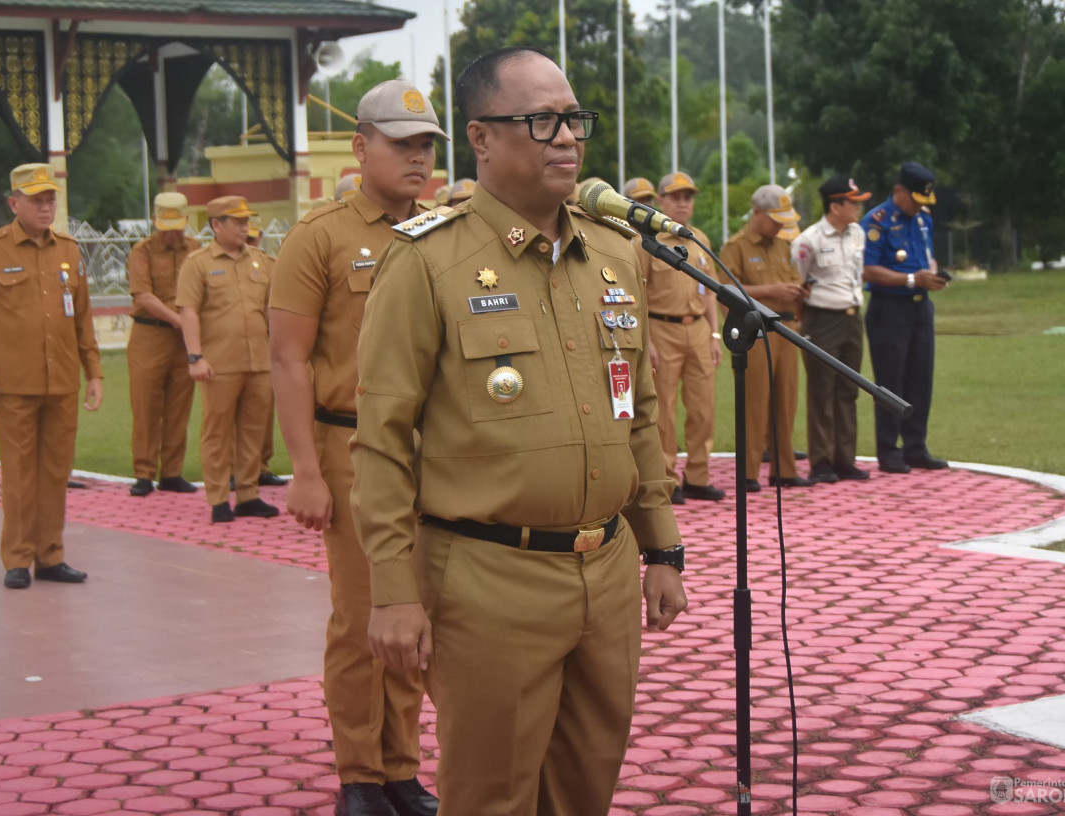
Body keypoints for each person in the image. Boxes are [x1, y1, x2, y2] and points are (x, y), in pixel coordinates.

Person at [350, 47, 688, 816]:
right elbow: (382, 442)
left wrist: (661, 546)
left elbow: (634, 412)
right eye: (541, 120)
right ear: (481, 138)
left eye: (574, 119)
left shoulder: (613, 251)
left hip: (605, 571)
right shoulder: (427, 263)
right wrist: (393, 592)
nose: (567, 137)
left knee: (585, 790)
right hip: (487, 580)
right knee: (492, 796)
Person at [269, 79, 447, 816]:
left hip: (433, 454)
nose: (417, 157)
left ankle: (401, 769)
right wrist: (305, 469)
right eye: (402, 143)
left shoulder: (445, 229)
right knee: (361, 616)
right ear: (361, 146)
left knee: (419, 615)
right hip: (350, 450)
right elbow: (289, 360)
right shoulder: (321, 237)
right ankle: (358, 775)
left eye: (427, 145)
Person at [0, 163, 103, 588]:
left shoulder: (69, 250)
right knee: (20, 473)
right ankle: (18, 558)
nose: (46, 208)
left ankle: (51, 556)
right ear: (14, 203)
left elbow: (83, 318)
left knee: (56, 471)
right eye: (37, 200)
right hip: (14, 383)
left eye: (50, 200)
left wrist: (93, 372)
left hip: (61, 380)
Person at [176, 195, 280, 523]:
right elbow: (188, 310)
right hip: (219, 364)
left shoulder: (263, 261)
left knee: (254, 430)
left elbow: (272, 310)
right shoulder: (198, 263)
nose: (245, 226)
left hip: (259, 361)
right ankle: (219, 497)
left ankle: (248, 493)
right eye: (237, 222)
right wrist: (195, 357)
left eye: (247, 220)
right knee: (217, 432)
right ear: (216, 225)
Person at [634, 171, 725, 504]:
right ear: (661, 201)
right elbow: (637, 295)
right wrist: (649, 342)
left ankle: (699, 475)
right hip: (662, 327)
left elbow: (712, 291)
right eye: (676, 197)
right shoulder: (647, 241)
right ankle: (668, 478)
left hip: (699, 328)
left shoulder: (699, 239)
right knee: (665, 409)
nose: (683, 203)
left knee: (704, 406)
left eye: (688, 197)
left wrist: (715, 334)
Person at [719, 184, 812, 493]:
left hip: (788, 330)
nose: (780, 225)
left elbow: (791, 279)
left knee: (786, 402)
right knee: (754, 403)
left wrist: (798, 289)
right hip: (756, 333)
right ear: (757, 212)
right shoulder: (736, 247)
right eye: (775, 218)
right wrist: (772, 291)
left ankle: (784, 470)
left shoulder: (783, 245)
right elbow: (726, 291)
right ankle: (748, 472)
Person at [861, 162, 949, 473]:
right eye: (916, 199)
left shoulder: (924, 219)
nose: (920, 206)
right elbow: (868, 269)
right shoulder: (877, 222)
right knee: (891, 380)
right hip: (889, 308)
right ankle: (889, 449)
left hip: (920, 307)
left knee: (920, 377)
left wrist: (934, 275)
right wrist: (913, 279)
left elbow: (929, 256)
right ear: (899, 191)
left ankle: (916, 446)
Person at [791, 176, 872, 484]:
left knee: (848, 390)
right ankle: (822, 461)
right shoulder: (808, 240)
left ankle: (845, 459)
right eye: (853, 202)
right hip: (822, 318)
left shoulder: (858, 233)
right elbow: (799, 283)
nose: (858, 207)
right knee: (821, 391)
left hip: (852, 317)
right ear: (835, 206)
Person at [126, 192, 201, 497]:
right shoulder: (142, 251)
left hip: (184, 340)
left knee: (179, 406)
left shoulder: (196, 250)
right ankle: (144, 473)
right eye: (166, 226)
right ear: (156, 221)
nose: (172, 233)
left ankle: (172, 472)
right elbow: (143, 296)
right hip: (150, 335)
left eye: (177, 226)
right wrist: (178, 319)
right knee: (146, 405)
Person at [244, 217, 287, 488]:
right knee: (231, 418)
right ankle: (236, 470)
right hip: (231, 348)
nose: (250, 244)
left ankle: (261, 466)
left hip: (264, 346)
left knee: (263, 412)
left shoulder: (270, 264)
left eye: (252, 238)